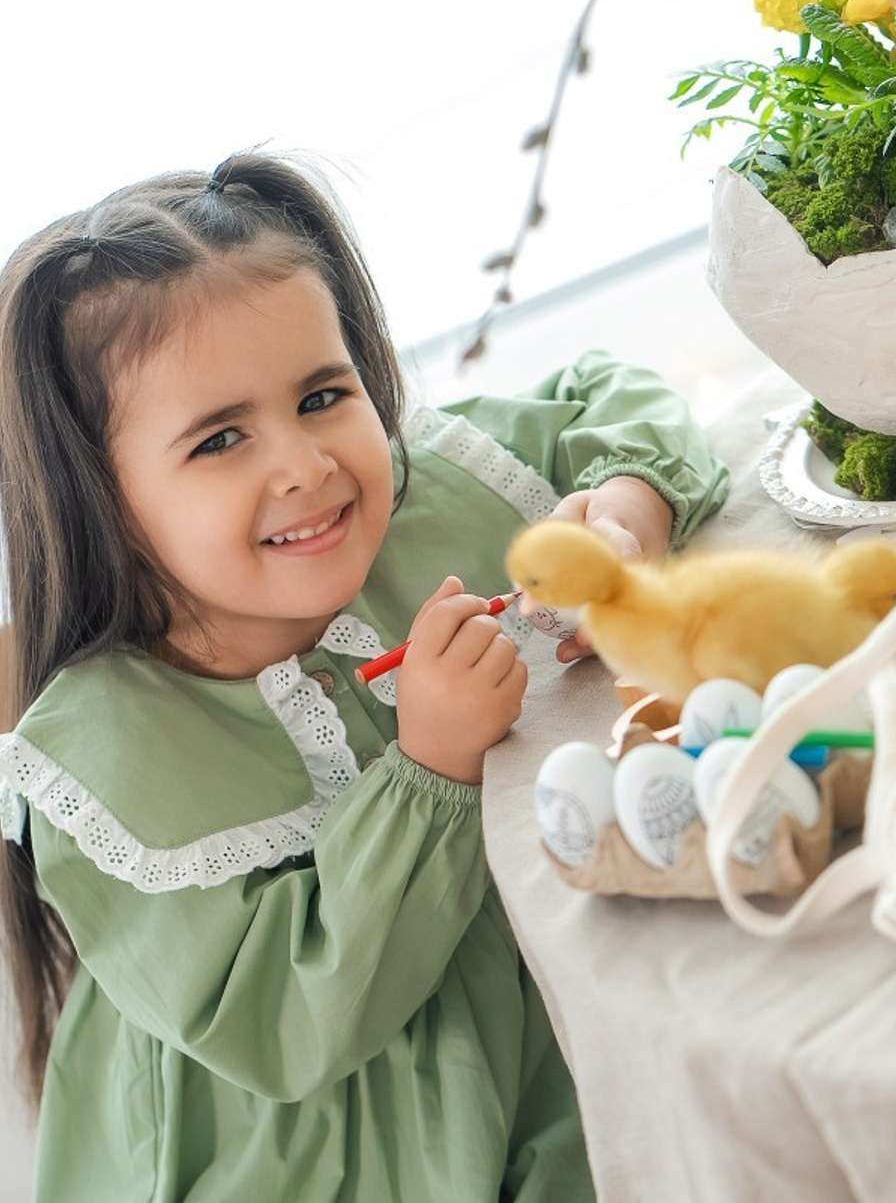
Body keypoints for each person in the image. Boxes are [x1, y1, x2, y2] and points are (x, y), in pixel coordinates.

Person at [0, 151, 729, 1200]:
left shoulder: (439, 493)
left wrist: (622, 515)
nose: (302, 463)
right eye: (218, 440)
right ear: (99, 499)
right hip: (331, 1152)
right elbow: (291, 1025)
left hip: (554, 1053)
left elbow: (609, 396)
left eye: (320, 393)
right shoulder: (102, 764)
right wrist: (430, 766)